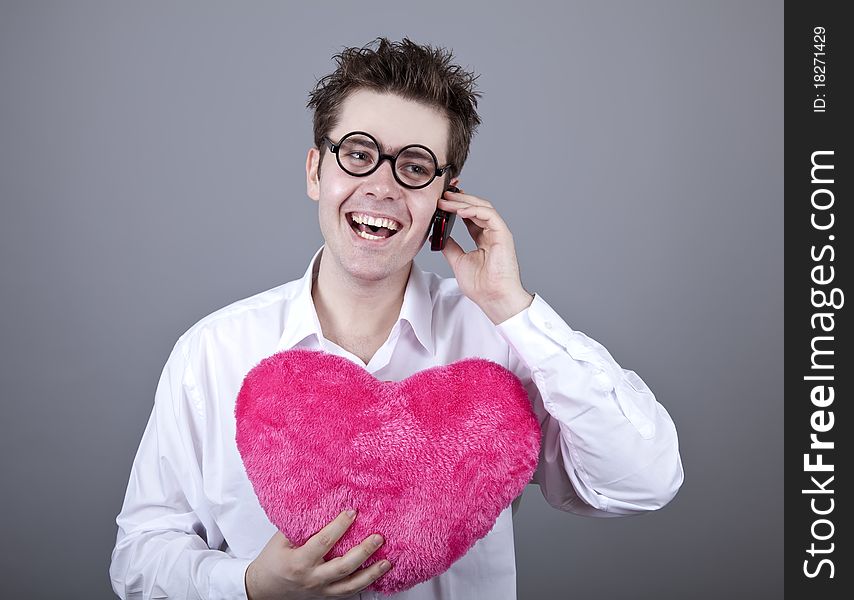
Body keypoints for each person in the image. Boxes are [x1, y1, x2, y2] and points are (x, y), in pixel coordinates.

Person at [109, 37, 684, 600]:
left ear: (445, 196)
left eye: (414, 167)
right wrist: (250, 586)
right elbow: (139, 557)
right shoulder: (213, 352)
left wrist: (511, 306)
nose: (381, 186)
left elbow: (643, 481)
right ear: (316, 171)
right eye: (358, 154)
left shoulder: (500, 344)